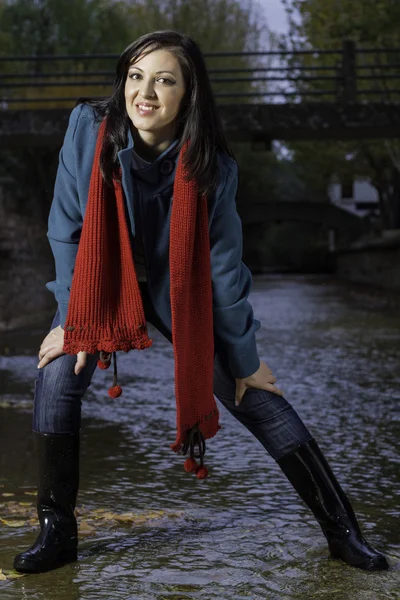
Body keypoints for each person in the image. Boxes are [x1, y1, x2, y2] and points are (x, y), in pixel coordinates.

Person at [13, 30, 388, 574]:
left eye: (164, 80)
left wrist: (246, 356)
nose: (145, 92)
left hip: (177, 289)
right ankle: (56, 532)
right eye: (136, 77)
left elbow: (223, 269)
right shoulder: (87, 127)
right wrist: (75, 318)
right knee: (56, 376)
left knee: (250, 391)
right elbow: (66, 228)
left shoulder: (214, 167)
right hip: (101, 280)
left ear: (188, 95)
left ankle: (343, 532)